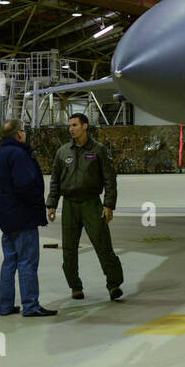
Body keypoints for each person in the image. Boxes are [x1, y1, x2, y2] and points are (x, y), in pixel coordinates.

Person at [47, 112, 124, 302]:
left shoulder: (99, 150)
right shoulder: (63, 152)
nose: (71, 129)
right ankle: (75, 287)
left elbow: (109, 179)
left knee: (103, 245)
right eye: (70, 125)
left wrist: (109, 205)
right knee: (69, 250)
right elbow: (55, 180)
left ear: (85, 126)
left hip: (91, 203)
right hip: (70, 205)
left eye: (74, 125)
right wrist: (51, 204)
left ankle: (114, 285)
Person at [0, 119, 54, 317]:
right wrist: (37, 204)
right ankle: (31, 305)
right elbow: (25, 184)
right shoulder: (19, 154)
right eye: (24, 131)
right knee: (27, 261)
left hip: (6, 216)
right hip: (23, 215)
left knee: (9, 261)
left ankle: (6, 305)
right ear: (19, 134)